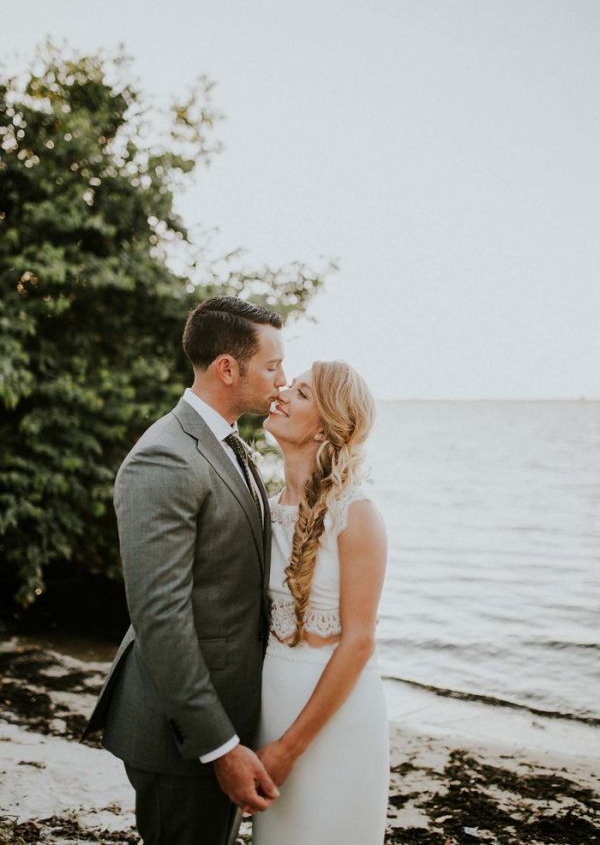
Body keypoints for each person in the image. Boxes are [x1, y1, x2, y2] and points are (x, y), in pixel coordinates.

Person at [82, 296, 286, 845]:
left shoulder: (228, 445)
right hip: (183, 735)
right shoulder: (165, 457)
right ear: (228, 367)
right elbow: (160, 616)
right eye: (273, 365)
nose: (282, 379)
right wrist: (219, 745)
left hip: (229, 706)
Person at [252, 361, 389, 845]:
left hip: (336, 721)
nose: (283, 391)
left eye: (302, 392)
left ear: (326, 426)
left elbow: (358, 643)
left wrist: (288, 749)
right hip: (273, 705)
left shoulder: (356, 514)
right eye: (291, 384)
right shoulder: (264, 509)